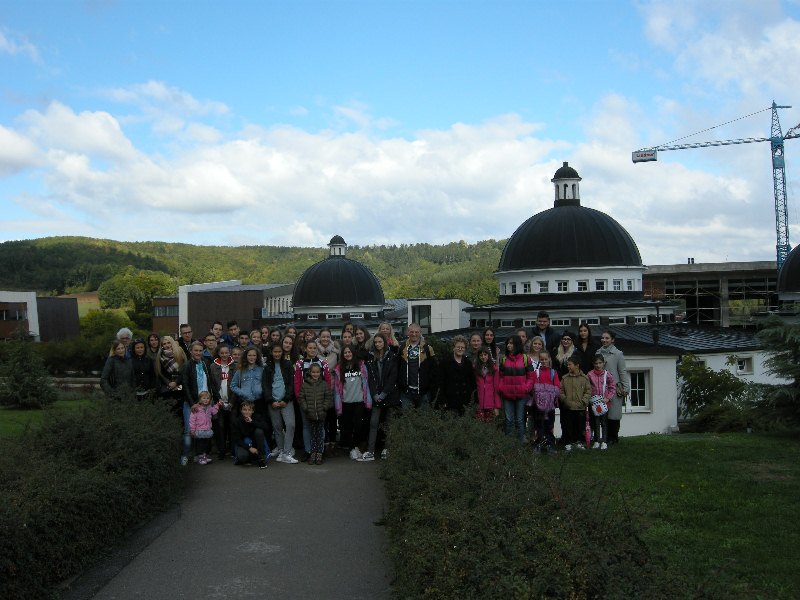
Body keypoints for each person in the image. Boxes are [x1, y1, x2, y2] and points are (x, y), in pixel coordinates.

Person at [180, 341, 219, 466]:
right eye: (195, 350)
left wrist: (216, 398)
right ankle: (185, 455)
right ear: (191, 351)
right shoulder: (187, 366)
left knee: (204, 428)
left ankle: (200, 455)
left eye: (200, 350)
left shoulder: (205, 363)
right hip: (192, 403)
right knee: (189, 430)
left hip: (205, 403)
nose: (198, 353)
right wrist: (192, 403)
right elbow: (185, 386)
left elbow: (210, 383)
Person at [293, 339, 332, 461]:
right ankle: (308, 450)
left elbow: (328, 382)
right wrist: (300, 399)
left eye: (314, 348)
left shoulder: (322, 363)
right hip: (305, 401)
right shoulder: (300, 364)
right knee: (306, 426)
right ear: (305, 349)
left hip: (320, 401)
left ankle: (320, 451)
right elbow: (297, 382)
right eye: (310, 348)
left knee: (321, 427)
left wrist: (326, 401)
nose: (312, 350)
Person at [363, 332, 399, 461]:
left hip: (389, 395)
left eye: (380, 342)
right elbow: (370, 378)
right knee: (373, 423)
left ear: (385, 342)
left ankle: (386, 449)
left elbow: (392, 377)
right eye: (376, 342)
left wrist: (383, 394)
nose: (378, 344)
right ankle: (370, 451)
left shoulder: (392, 356)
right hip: (376, 395)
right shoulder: (370, 357)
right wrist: (374, 394)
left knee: (389, 423)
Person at [333, 344, 372, 460]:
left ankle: (356, 447)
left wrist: (368, 401)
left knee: (359, 426)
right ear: (342, 355)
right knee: (348, 427)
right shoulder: (339, 368)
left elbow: (366, 384)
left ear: (353, 353)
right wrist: (338, 405)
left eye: (349, 352)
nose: (347, 354)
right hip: (346, 402)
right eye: (345, 352)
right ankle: (352, 449)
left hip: (359, 401)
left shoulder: (361, 365)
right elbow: (337, 389)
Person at [263, 343, 298, 464]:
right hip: (273, 401)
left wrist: (286, 399)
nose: (277, 354)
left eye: (279, 352)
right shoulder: (267, 366)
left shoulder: (287, 364)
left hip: (286, 401)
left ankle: (287, 452)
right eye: (275, 352)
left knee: (290, 425)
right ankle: (281, 450)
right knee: (277, 427)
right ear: (271, 352)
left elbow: (291, 383)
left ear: (282, 353)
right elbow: (265, 385)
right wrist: (271, 400)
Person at [498, 335, 534, 443]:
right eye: (508, 343)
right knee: (508, 420)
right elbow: (500, 376)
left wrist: (526, 388)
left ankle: (520, 444)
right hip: (507, 394)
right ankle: (509, 444)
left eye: (511, 343)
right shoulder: (503, 359)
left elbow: (531, 377)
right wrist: (502, 388)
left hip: (521, 394)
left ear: (517, 345)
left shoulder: (525, 359)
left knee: (520, 420)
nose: (508, 345)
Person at [297, 363, 333, 465]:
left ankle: (319, 454)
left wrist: (325, 407)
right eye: (313, 372)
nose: (315, 374)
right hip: (310, 414)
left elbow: (328, 397)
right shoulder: (305, 385)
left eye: (317, 372)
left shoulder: (324, 384)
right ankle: (313, 453)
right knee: (313, 435)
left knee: (320, 435)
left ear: (320, 373)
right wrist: (306, 408)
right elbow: (301, 397)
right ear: (310, 372)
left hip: (321, 415)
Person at [598, 330, 630, 444]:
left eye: (607, 338)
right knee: (603, 414)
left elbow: (622, 371)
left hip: (614, 388)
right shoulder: (598, 352)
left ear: (612, 340)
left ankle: (613, 437)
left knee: (614, 414)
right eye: (603, 338)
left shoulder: (618, 354)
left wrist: (625, 388)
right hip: (601, 388)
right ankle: (604, 437)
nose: (604, 340)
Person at [397, 323, 437, 410]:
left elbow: (434, 369)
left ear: (420, 332)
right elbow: (397, 367)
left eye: (416, 332)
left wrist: (430, 386)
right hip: (406, 392)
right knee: (407, 417)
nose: (414, 334)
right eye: (411, 332)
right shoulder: (401, 347)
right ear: (408, 332)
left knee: (424, 417)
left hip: (424, 392)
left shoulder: (428, 348)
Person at [437, 335, 476, 416]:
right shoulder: (445, 363)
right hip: (450, 401)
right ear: (453, 347)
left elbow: (472, 382)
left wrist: (472, 399)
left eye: (462, 347)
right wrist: (442, 400)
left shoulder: (468, 363)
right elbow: (440, 382)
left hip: (465, 401)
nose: (460, 349)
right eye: (458, 347)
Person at [209, 344, 236, 460]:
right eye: (222, 353)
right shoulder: (213, 366)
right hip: (219, 402)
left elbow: (236, 385)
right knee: (220, 427)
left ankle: (233, 450)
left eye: (226, 353)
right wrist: (217, 399)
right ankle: (222, 450)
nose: (224, 355)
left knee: (232, 425)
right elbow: (212, 385)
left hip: (231, 401)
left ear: (229, 353)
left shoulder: (235, 366)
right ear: (219, 353)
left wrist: (232, 402)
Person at [559, 356, 591, 451]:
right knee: (568, 426)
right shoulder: (564, 378)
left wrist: (583, 401)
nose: (568, 366)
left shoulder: (584, 378)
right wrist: (565, 400)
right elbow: (560, 391)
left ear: (577, 365)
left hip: (580, 408)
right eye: (567, 364)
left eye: (570, 364)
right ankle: (569, 442)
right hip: (568, 408)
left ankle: (579, 442)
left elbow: (588, 391)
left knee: (580, 426)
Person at [531, 352, 560, 454]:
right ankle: (537, 444)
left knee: (550, 425)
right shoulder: (536, 373)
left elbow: (557, 387)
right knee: (538, 425)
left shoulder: (553, 372)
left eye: (545, 359)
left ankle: (550, 445)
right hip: (539, 405)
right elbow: (535, 387)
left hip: (550, 404)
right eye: (541, 360)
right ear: (539, 360)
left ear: (549, 359)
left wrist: (547, 392)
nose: (544, 361)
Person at [587, 354, 616, 451]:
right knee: (595, 422)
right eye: (596, 363)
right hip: (594, 404)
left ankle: (604, 441)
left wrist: (608, 398)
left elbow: (612, 387)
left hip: (604, 403)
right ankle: (596, 440)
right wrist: (589, 398)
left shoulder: (607, 374)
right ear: (593, 364)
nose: (598, 365)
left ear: (603, 363)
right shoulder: (589, 375)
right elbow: (587, 388)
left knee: (604, 422)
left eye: (600, 363)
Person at [155, 336, 187, 419]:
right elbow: (160, 373)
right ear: (162, 346)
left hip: (180, 386)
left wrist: (176, 382)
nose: (167, 345)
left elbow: (184, 370)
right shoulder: (160, 356)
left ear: (172, 343)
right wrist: (169, 383)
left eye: (168, 343)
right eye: (164, 344)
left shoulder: (180, 352)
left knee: (181, 413)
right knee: (170, 413)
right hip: (168, 388)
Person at [230, 401, 269, 468]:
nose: (247, 412)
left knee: (259, 431)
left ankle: (261, 455)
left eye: (249, 410)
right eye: (244, 410)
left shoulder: (257, 417)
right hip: (243, 443)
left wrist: (252, 422)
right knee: (242, 457)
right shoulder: (237, 421)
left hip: (255, 442)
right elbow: (237, 439)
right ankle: (250, 456)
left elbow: (266, 427)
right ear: (241, 410)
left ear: (253, 411)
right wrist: (249, 448)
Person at [230, 347, 265, 415]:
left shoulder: (262, 370)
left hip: (259, 401)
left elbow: (266, 384)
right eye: (249, 355)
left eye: (254, 355)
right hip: (245, 402)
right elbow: (233, 386)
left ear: (257, 357)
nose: (252, 357)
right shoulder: (240, 370)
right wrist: (242, 392)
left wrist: (261, 391)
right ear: (246, 356)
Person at [189, 390, 221, 465]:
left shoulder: (209, 407)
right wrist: (192, 430)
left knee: (206, 445)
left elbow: (214, 411)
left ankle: (204, 456)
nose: (206, 400)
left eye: (207, 398)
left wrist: (218, 405)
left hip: (207, 430)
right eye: (204, 398)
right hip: (199, 430)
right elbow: (192, 420)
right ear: (200, 399)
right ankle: (200, 458)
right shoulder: (196, 408)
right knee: (200, 445)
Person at [474, 346, 500, 422]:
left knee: (490, 425)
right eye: (481, 355)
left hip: (490, 404)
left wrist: (497, 406)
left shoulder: (494, 369)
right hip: (479, 404)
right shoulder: (475, 369)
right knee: (479, 425)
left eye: (485, 355)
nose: (483, 357)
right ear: (478, 357)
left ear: (488, 355)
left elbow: (496, 389)